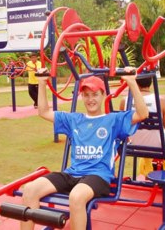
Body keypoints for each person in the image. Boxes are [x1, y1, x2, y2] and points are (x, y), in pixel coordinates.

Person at [21, 67, 149, 230]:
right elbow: (44, 112)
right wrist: (41, 83)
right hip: (72, 173)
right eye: (86, 95)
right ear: (81, 96)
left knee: (76, 196)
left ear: (103, 95)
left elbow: (142, 113)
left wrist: (131, 82)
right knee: (30, 190)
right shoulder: (74, 119)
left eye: (95, 94)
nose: (91, 99)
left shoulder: (113, 120)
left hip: (98, 176)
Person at [119, 76, 165, 176]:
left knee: (148, 136)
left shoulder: (125, 101)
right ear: (150, 82)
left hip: (135, 145)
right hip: (158, 146)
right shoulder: (161, 101)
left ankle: (149, 170)